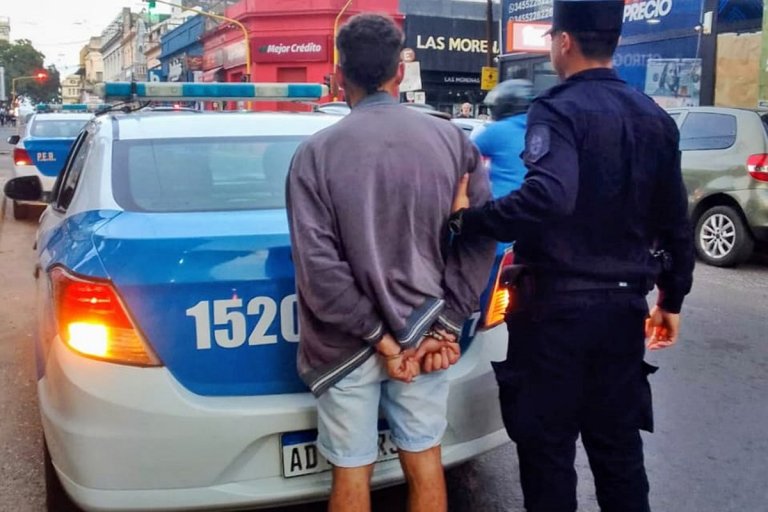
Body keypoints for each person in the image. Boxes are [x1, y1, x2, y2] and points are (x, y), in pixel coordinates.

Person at [446, 1, 695, 511]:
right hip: (622, 311)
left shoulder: (557, 108)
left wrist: (469, 221)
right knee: (619, 454)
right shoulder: (654, 117)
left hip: (554, 316)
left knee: (548, 454)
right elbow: (675, 221)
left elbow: (549, 196)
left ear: (563, 42)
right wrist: (672, 298)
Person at [286, 13, 495, 512]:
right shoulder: (454, 143)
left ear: (340, 76)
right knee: (425, 463)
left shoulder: (314, 154)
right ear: (399, 72)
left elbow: (319, 270)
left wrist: (381, 338)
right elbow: (479, 238)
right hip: (426, 337)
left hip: (346, 345)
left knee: (351, 474)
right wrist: (444, 326)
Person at [472, 79, 533, 199]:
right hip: (542, 203)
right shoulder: (543, 127)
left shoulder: (497, 130)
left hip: (505, 202)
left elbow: (462, 155)